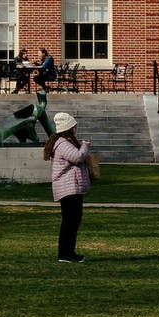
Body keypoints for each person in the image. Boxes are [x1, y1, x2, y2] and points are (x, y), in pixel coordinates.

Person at [45, 111, 96, 263]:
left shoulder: (62, 143)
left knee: (72, 221)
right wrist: (85, 146)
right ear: (69, 128)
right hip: (69, 188)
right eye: (74, 126)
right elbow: (78, 157)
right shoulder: (62, 144)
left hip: (70, 187)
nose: (76, 129)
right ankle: (65, 254)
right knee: (70, 221)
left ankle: (68, 253)